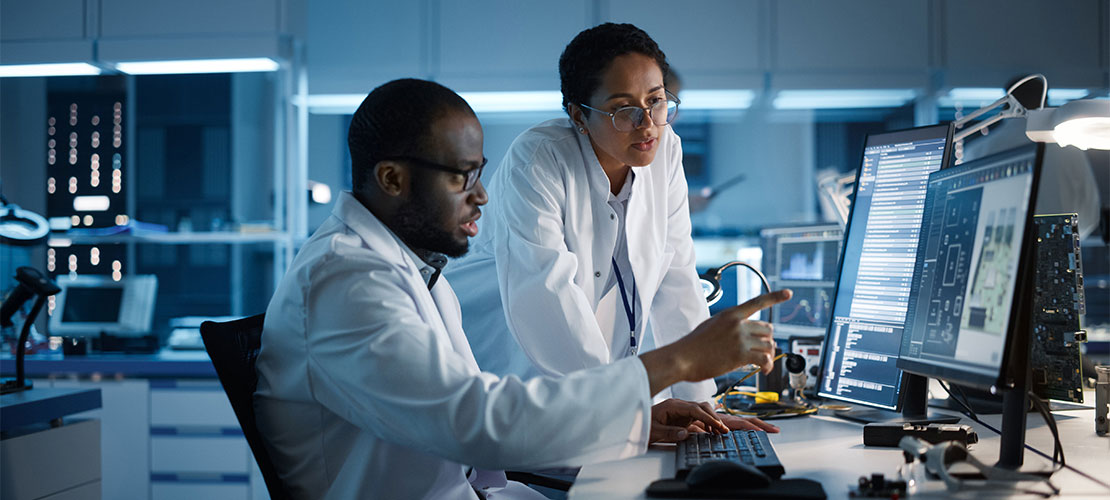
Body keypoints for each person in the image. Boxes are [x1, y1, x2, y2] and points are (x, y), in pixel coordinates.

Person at [253, 78, 791, 499]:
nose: (482, 196)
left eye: (479, 173)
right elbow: (479, 422)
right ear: (393, 179)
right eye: (463, 176)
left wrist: (636, 419)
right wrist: (676, 363)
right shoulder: (346, 281)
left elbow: (486, 424)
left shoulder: (410, 268)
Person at [445, 23, 776, 431]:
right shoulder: (538, 162)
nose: (647, 124)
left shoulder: (665, 149)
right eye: (623, 109)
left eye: (656, 101)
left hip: (594, 385)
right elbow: (549, 304)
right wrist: (623, 410)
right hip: (513, 367)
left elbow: (677, 282)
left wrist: (705, 408)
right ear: (578, 115)